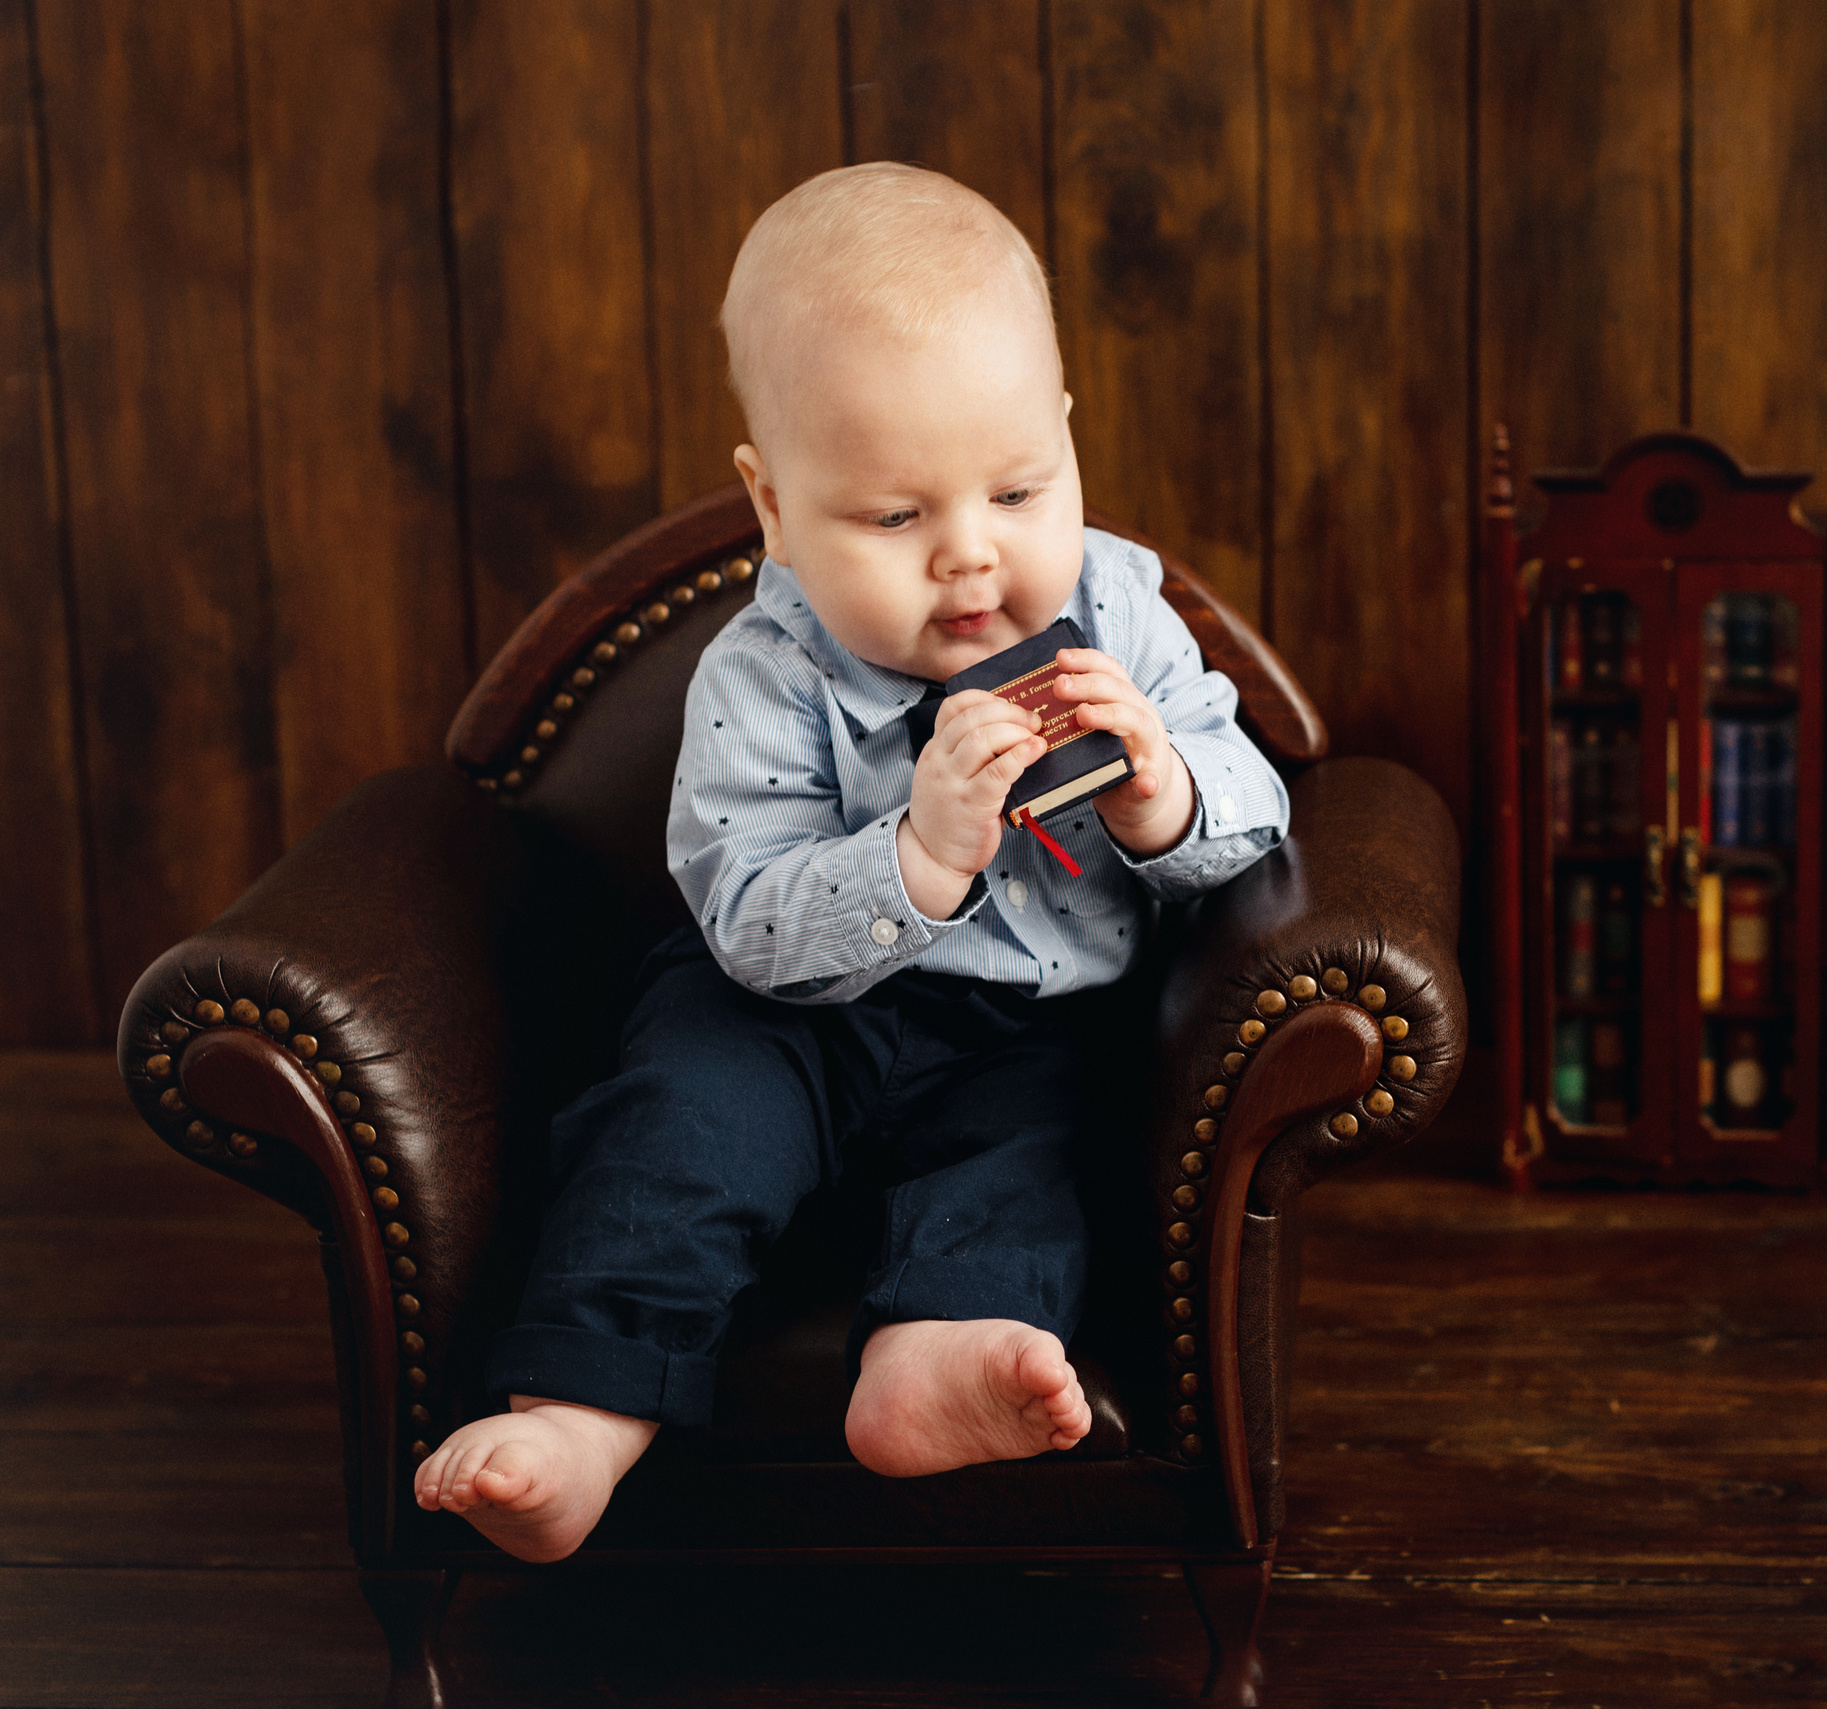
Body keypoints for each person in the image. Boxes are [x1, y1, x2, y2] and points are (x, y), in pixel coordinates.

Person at [408, 163, 1288, 1562]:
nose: (970, 555)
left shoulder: (1121, 608)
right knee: (677, 1125)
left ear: (1068, 436)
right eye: (895, 517)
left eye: (1017, 486)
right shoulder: (762, 671)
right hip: (785, 1010)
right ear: (772, 502)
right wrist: (920, 855)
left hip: (1033, 1022)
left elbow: (1260, 806)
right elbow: (745, 916)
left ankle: (937, 1353)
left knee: (1031, 1153)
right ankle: (580, 1406)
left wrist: (1164, 793)